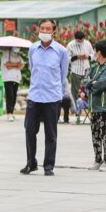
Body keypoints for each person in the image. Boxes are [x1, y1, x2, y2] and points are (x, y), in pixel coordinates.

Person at [22, 19, 68, 177]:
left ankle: (48, 166)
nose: (45, 31)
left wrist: (58, 93)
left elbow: (63, 74)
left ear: (54, 31)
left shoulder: (61, 51)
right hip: (34, 96)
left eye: (48, 29)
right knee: (29, 131)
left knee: (51, 134)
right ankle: (31, 163)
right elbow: (32, 68)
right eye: (42, 28)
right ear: (38, 30)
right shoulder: (33, 49)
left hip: (52, 98)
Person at [83, 41, 106, 171]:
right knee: (95, 135)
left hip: (105, 107)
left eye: (94, 50)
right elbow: (85, 80)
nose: (93, 53)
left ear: (99, 52)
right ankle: (97, 160)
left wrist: (91, 83)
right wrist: (91, 82)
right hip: (94, 106)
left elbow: (100, 85)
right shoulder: (94, 67)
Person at [65, 31, 94, 124]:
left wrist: (87, 56)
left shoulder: (88, 43)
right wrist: (77, 57)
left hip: (86, 70)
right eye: (79, 40)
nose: (80, 41)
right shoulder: (70, 45)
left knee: (88, 90)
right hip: (75, 71)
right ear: (75, 38)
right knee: (76, 92)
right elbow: (67, 58)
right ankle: (78, 115)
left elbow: (93, 56)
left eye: (82, 40)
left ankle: (90, 112)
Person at [1, 47, 25, 122]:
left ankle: (12, 113)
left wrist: (12, 64)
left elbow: (22, 65)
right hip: (8, 78)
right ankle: (9, 113)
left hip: (16, 78)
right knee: (9, 95)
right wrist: (16, 65)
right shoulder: (6, 53)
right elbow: (7, 65)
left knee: (14, 96)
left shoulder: (18, 55)